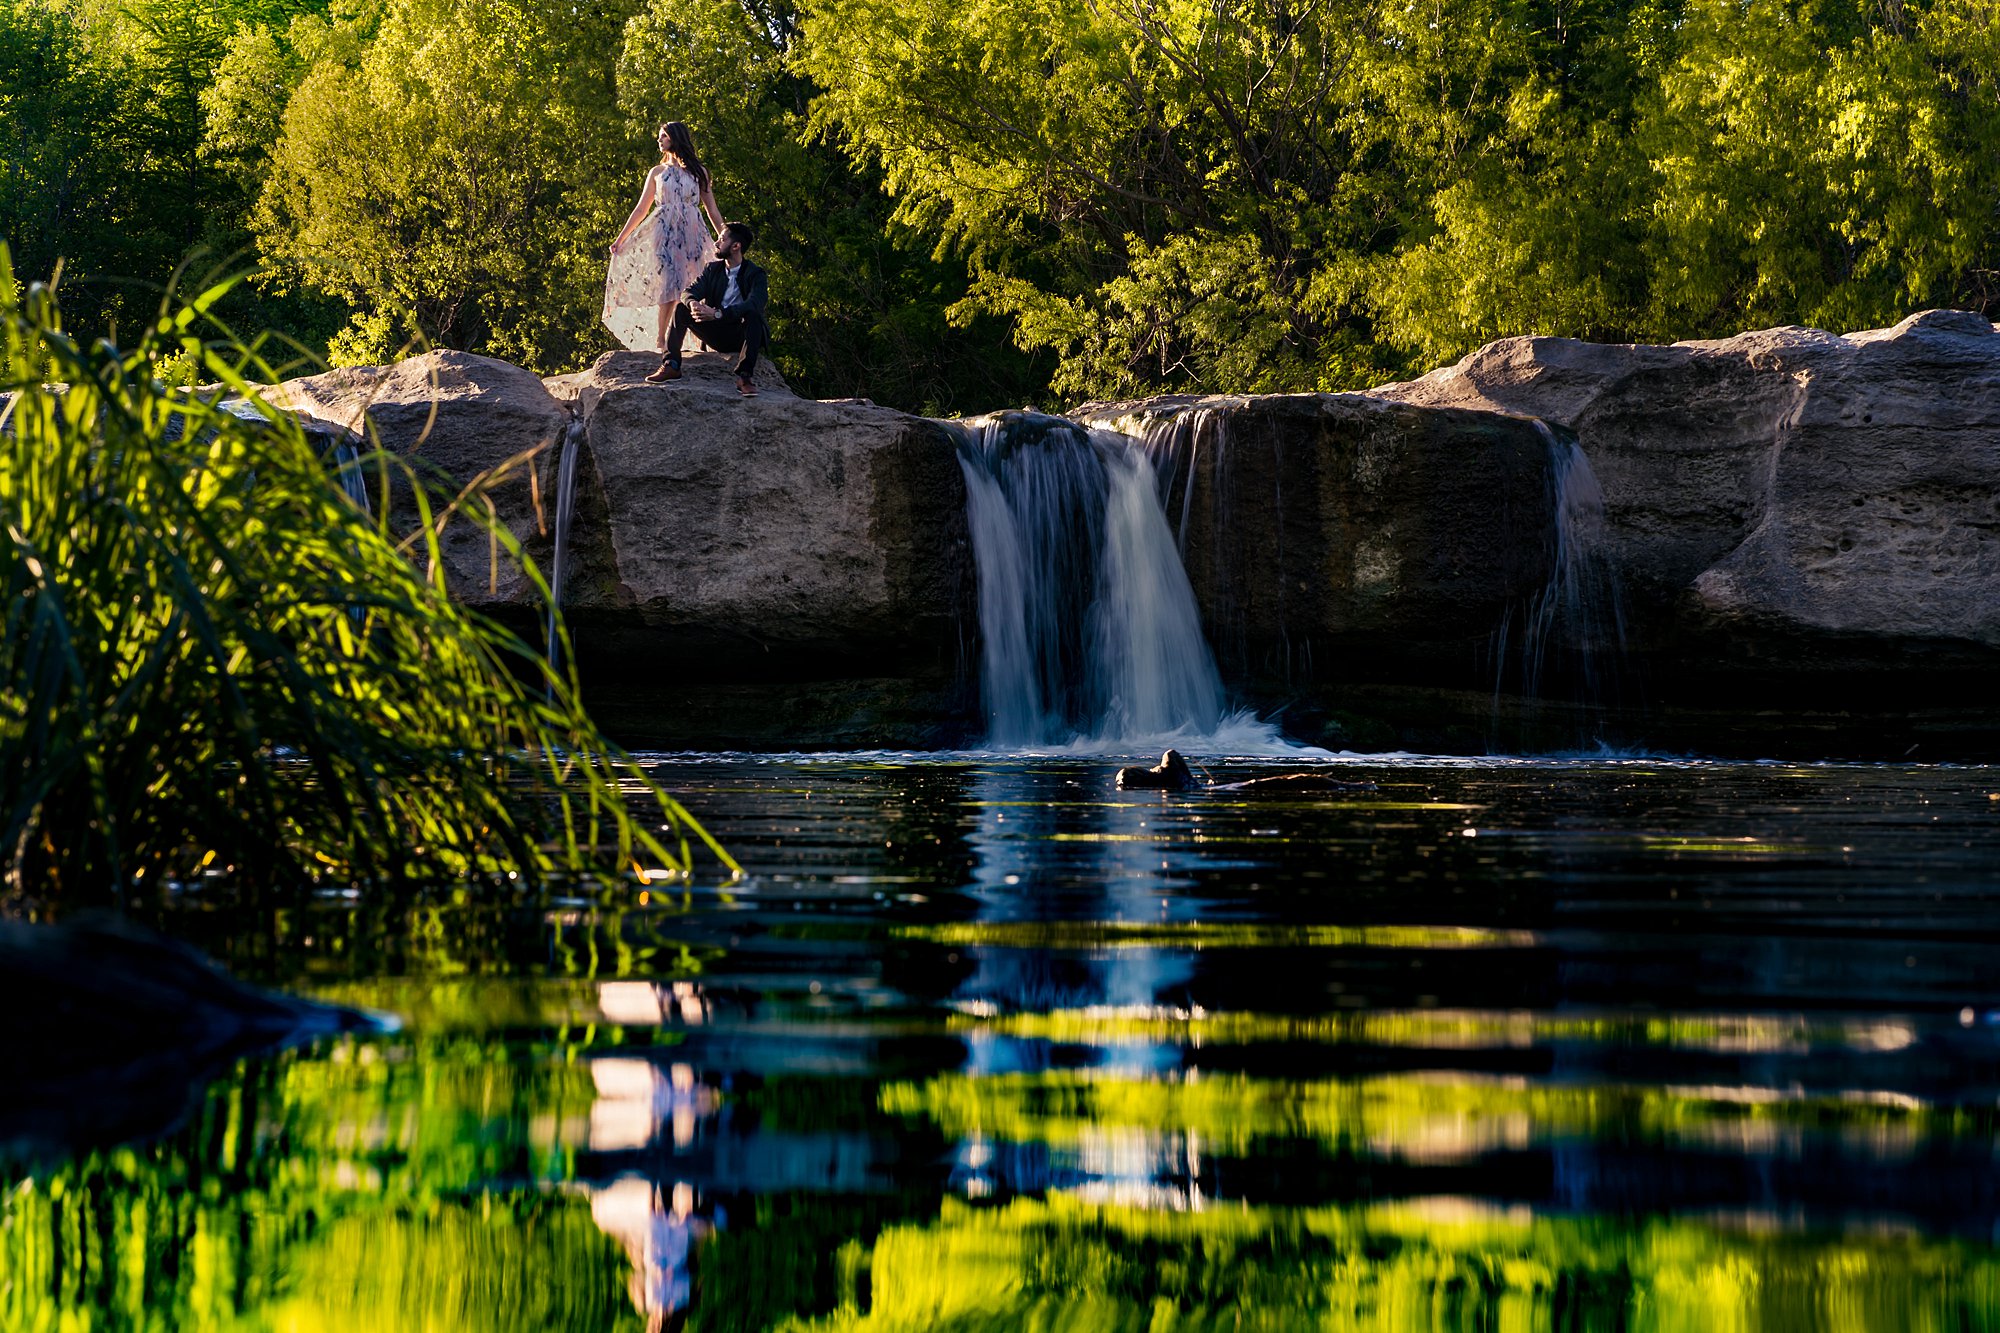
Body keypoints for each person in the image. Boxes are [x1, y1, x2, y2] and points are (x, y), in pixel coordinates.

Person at [604, 122, 725, 355]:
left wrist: (724, 235)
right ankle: (661, 340)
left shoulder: (698, 171)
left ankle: (701, 340)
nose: (659, 141)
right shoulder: (657, 173)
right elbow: (641, 209)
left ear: (675, 138)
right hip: (665, 233)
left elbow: (712, 209)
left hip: (693, 233)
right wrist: (621, 239)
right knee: (669, 283)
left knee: (695, 284)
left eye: (663, 137)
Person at [646, 221, 769, 395]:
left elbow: (755, 303)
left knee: (753, 316)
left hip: (740, 335)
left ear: (736, 246)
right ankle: (672, 365)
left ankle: (745, 377)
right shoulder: (712, 269)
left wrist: (719, 314)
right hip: (716, 331)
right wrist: (693, 303)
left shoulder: (756, 274)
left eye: (722, 239)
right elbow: (688, 292)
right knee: (681, 308)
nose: (716, 243)